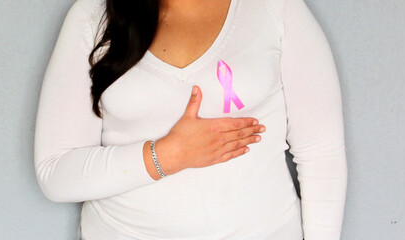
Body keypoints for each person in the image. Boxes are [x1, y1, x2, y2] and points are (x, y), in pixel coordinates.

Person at [33, 0, 348, 239]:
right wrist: (169, 154)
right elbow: (55, 173)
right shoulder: (94, 16)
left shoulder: (275, 8)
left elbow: (322, 153)